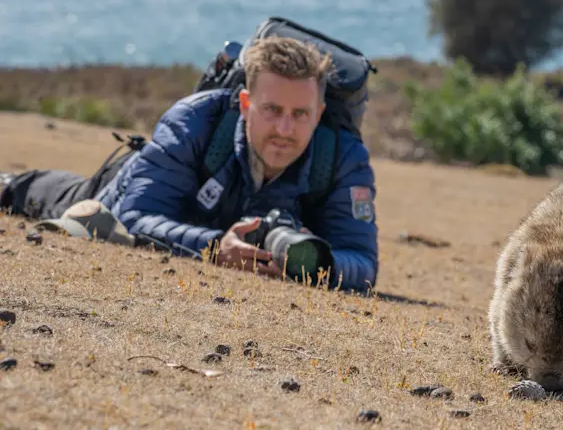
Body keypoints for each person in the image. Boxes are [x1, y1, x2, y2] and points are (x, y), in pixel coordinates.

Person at [0, 36, 379, 292]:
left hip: (194, 225)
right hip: (112, 195)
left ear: (319, 114)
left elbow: (362, 261)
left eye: (300, 114)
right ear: (246, 105)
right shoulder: (196, 121)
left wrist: (312, 266)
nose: (285, 128)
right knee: (34, 194)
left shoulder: (344, 157)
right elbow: (134, 216)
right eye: (272, 109)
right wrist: (217, 248)